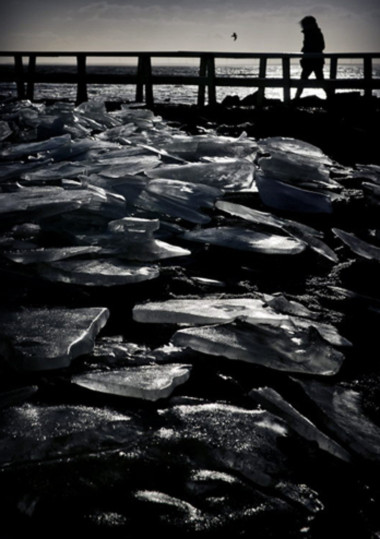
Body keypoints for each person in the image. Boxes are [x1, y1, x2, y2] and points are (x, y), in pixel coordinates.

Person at [294, 16, 326, 100]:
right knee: (318, 79)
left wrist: (307, 51)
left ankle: (296, 98)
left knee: (305, 80)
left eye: (304, 25)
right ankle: (330, 96)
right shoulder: (312, 33)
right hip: (313, 61)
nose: (303, 27)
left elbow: (321, 46)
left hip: (313, 61)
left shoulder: (314, 34)